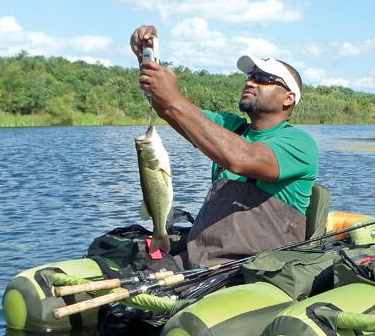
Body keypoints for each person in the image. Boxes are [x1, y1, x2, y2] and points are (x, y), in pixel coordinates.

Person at [130, 25, 319, 270]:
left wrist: (174, 99)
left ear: (288, 98)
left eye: (263, 79)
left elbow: (241, 159)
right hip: (201, 259)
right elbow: (172, 111)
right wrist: (148, 61)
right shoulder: (231, 127)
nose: (251, 82)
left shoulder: (300, 144)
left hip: (256, 269)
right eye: (249, 77)